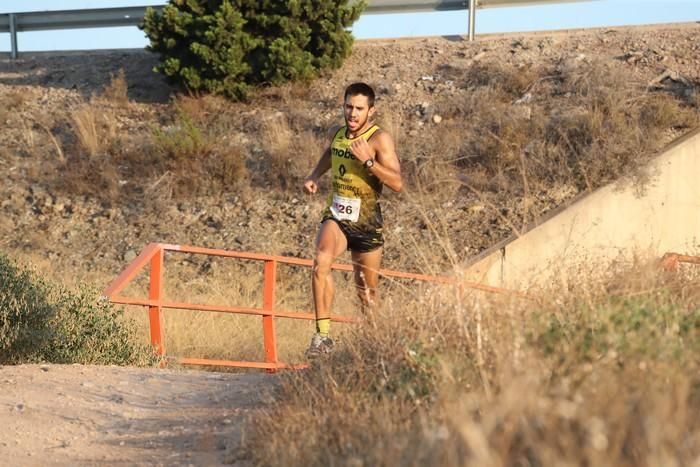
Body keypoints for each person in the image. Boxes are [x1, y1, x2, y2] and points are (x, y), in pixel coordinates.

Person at [302, 82, 403, 357]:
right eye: (348, 106)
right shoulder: (337, 133)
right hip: (336, 215)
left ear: (371, 110)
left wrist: (369, 162)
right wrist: (314, 175)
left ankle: (376, 349)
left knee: (367, 296)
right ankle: (322, 338)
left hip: (367, 222)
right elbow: (331, 153)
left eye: (359, 108)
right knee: (321, 260)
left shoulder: (379, 139)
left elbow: (397, 183)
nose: (353, 113)